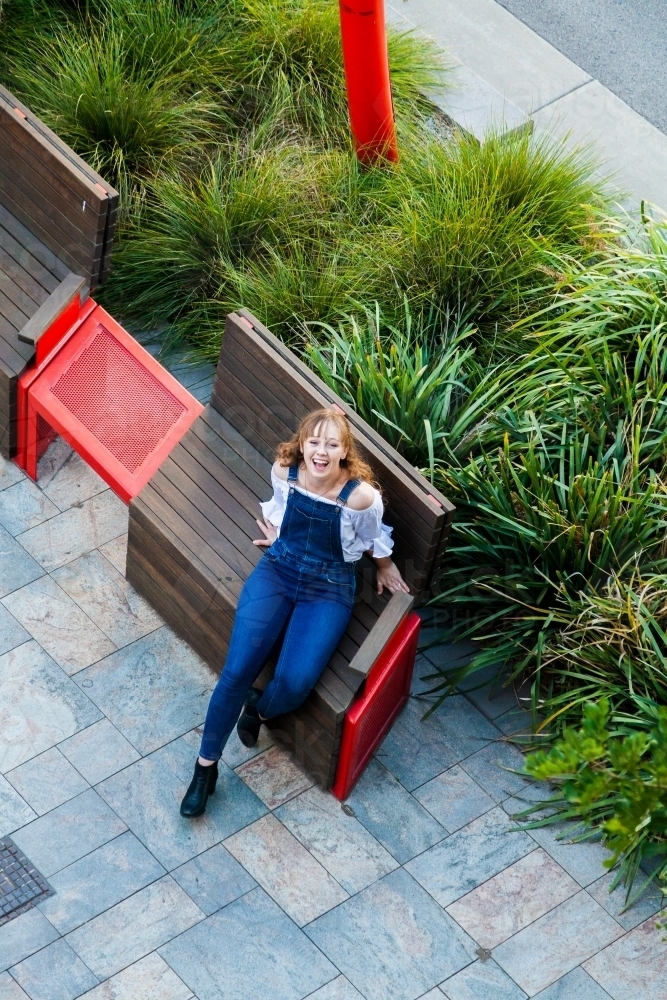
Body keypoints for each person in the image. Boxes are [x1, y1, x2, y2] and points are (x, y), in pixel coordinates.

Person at [180, 406, 409, 817]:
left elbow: (373, 537)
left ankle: (260, 707)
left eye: (332, 444)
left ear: (344, 451)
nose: (321, 452)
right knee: (234, 673)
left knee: (295, 681)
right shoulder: (284, 472)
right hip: (278, 571)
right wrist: (278, 531)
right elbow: (282, 508)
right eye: (314, 442)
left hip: (330, 587)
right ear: (302, 443)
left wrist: (386, 565)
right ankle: (205, 769)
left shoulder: (361, 497)